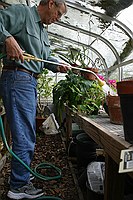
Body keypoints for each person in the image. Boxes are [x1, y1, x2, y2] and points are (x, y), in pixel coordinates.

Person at [0, 0, 70, 199]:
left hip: (28, 82)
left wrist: (59, 66)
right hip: (18, 78)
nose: (57, 19)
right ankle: (18, 187)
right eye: (58, 13)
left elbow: (46, 58)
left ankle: (21, 178)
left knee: (27, 133)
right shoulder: (23, 14)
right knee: (23, 134)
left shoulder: (42, 31)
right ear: (50, 4)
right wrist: (6, 38)